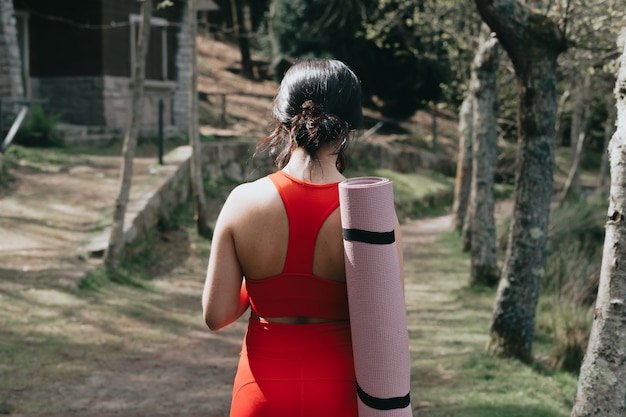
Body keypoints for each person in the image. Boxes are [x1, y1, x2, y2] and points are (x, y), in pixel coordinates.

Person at [202, 58, 404, 417]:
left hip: (260, 394)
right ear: (349, 126)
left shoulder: (242, 201)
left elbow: (216, 314)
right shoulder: (372, 213)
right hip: (340, 392)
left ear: (282, 117)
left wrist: (267, 286)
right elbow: (384, 319)